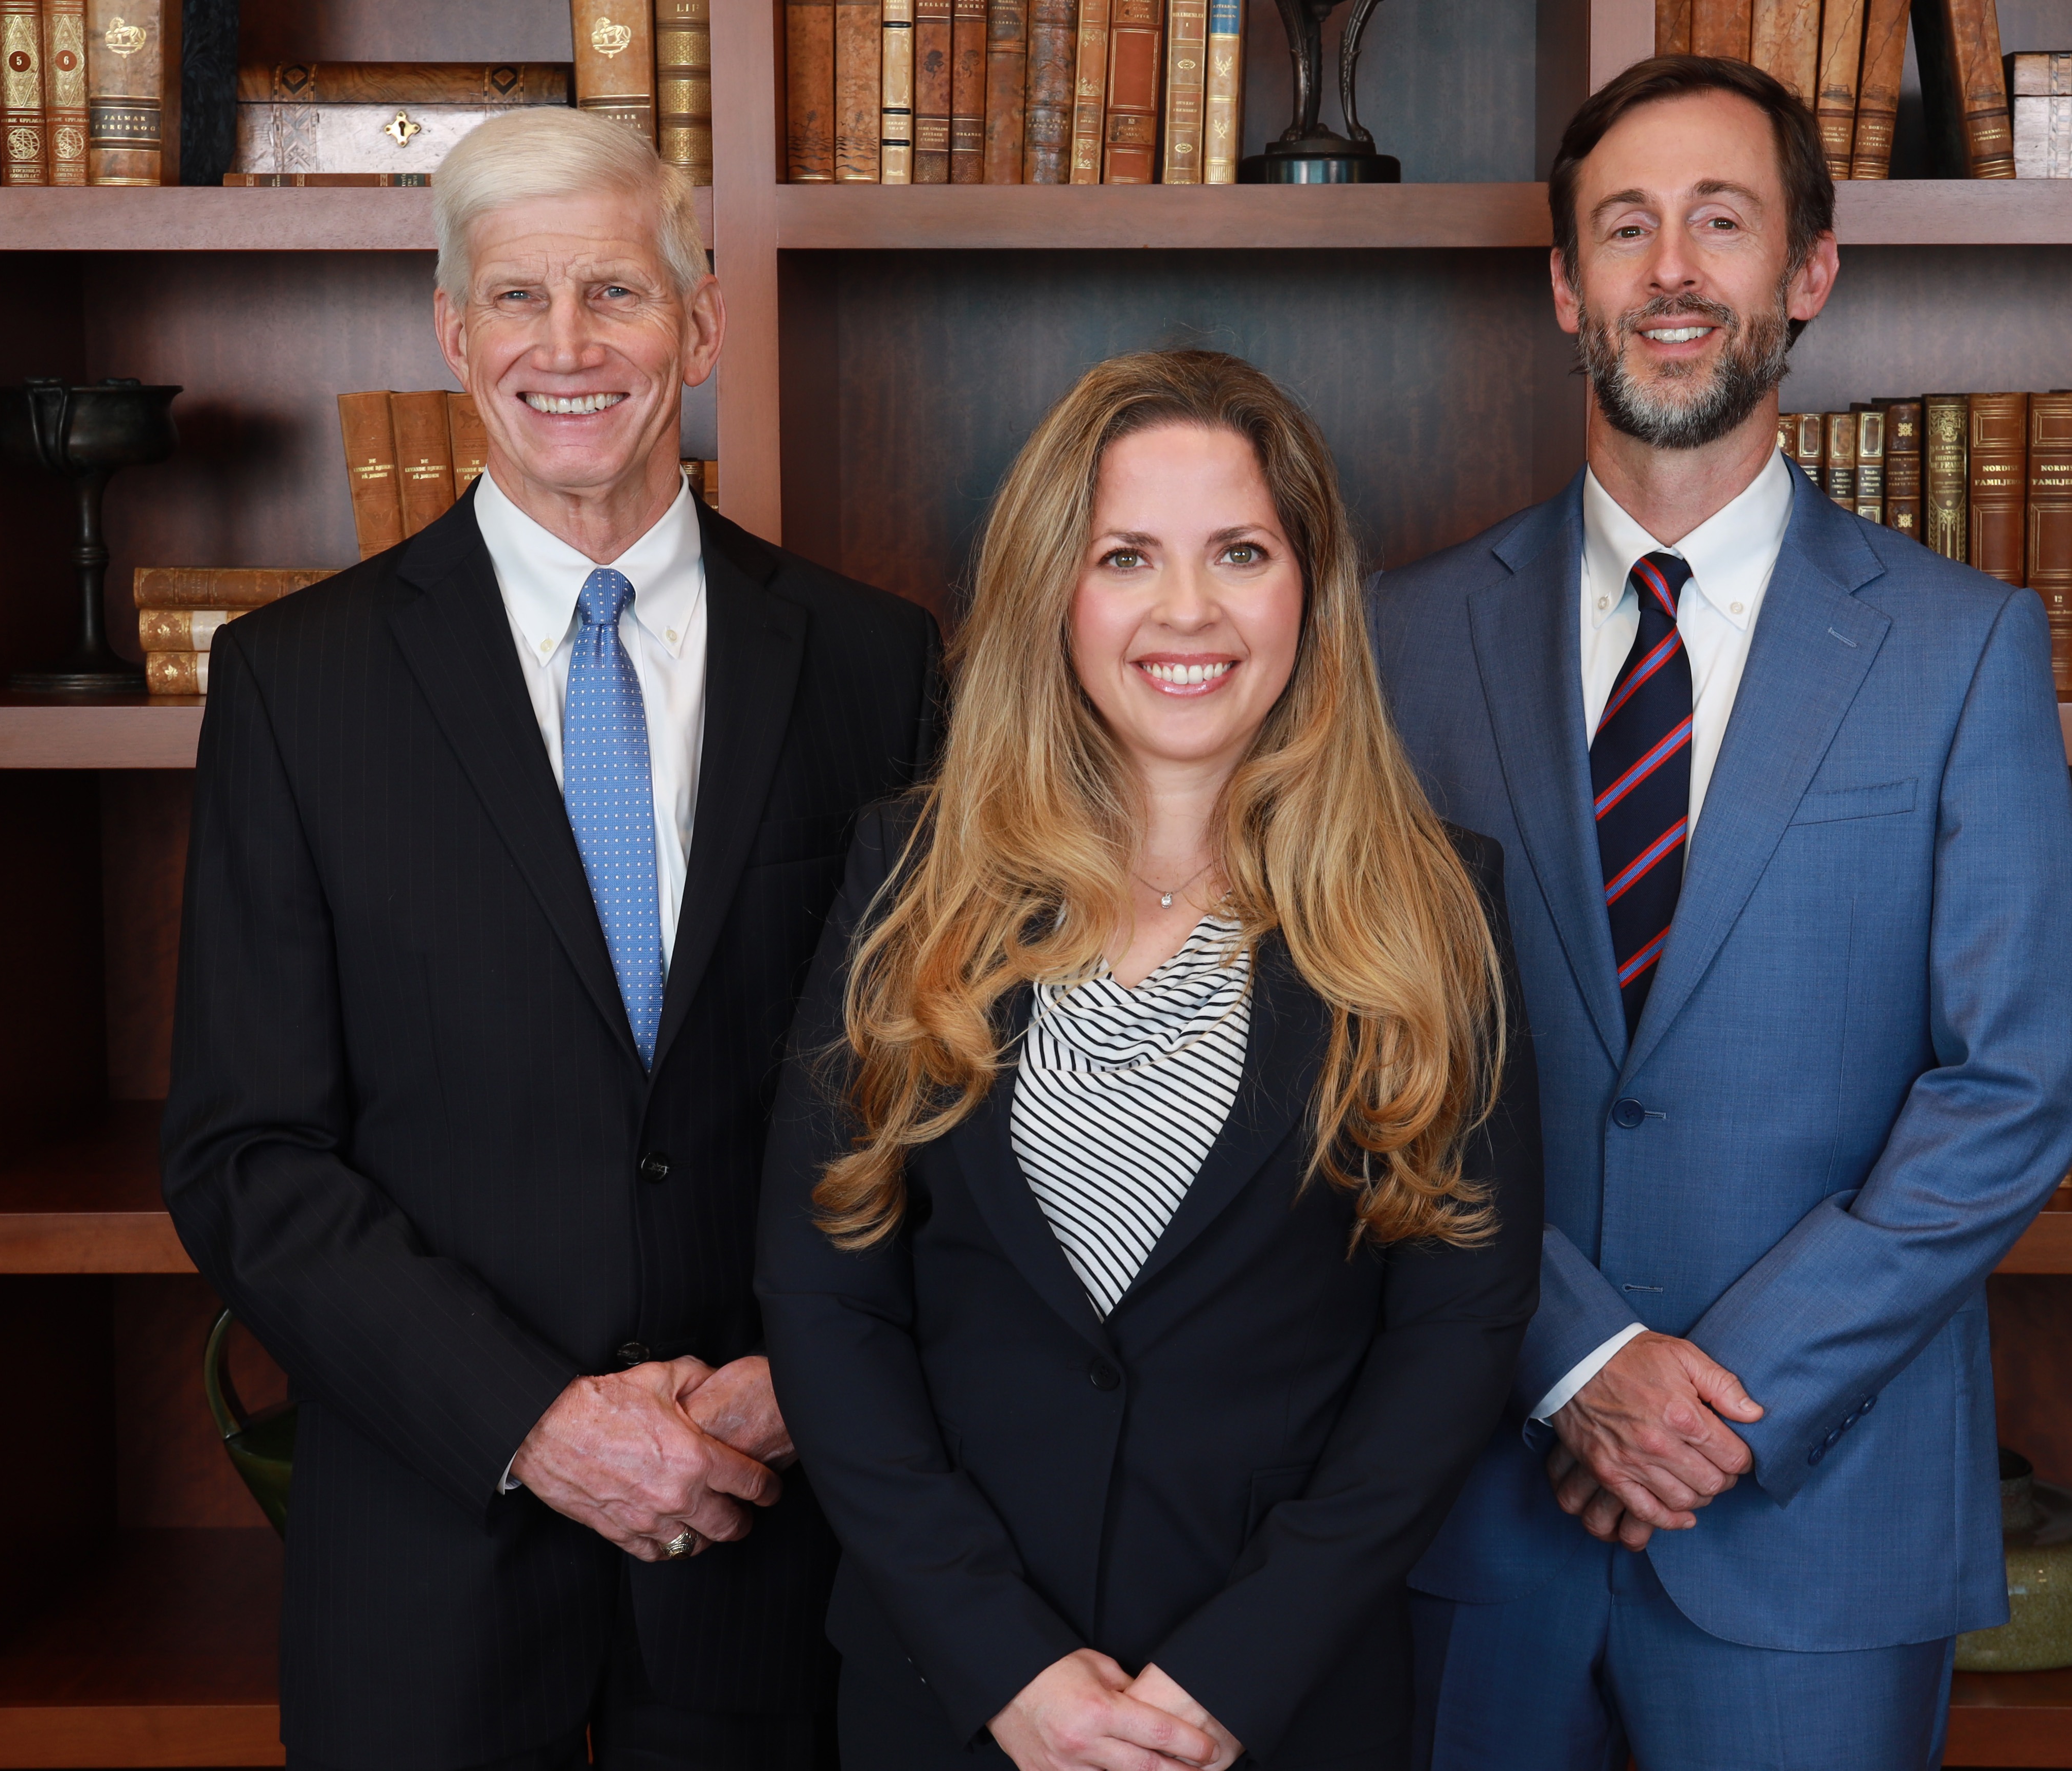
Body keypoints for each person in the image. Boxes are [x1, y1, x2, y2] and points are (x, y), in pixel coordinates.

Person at [162, 107, 940, 1771]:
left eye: (617, 292)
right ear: (453, 334)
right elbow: (247, 1154)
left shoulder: (878, 667)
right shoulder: (300, 689)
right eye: (515, 299)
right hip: (432, 1555)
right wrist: (534, 1423)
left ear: (702, 323)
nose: (566, 346)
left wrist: (797, 1382)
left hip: (781, 1541)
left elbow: (941, 1093)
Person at [1372, 57, 2072, 1771]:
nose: (1672, 270)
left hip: (1814, 1515)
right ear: (1565, 287)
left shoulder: (1959, 643)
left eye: (1722, 222)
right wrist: (1576, 1357)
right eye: (1624, 229)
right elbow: (1355, 1047)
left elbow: (2014, 1088)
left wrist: (1715, 1396)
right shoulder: (1397, 640)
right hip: (1469, 1503)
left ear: (1807, 272)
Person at [756, 350, 1542, 1770]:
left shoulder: (1434, 907)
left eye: (1239, 552)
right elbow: (826, 1302)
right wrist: (1008, 1666)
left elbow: (1454, 1337)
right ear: (1057, 590)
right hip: (951, 1698)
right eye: (1127, 556)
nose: (1189, 612)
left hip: (1275, 1708)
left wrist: (1230, 1676)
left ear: (1308, 586)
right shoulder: (910, 879)